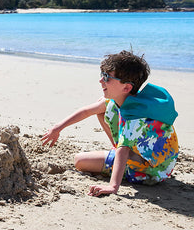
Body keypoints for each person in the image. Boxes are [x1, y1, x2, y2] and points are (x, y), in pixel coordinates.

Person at [41, 50, 178, 197]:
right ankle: (119, 153)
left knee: (80, 161)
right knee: (103, 108)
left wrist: (113, 186)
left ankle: (122, 163)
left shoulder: (134, 117)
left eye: (107, 77)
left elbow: (123, 150)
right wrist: (58, 128)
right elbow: (87, 111)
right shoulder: (125, 100)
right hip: (156, 159)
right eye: (102, 75)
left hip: (152, 172)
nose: (101, 80)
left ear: (126, 88)